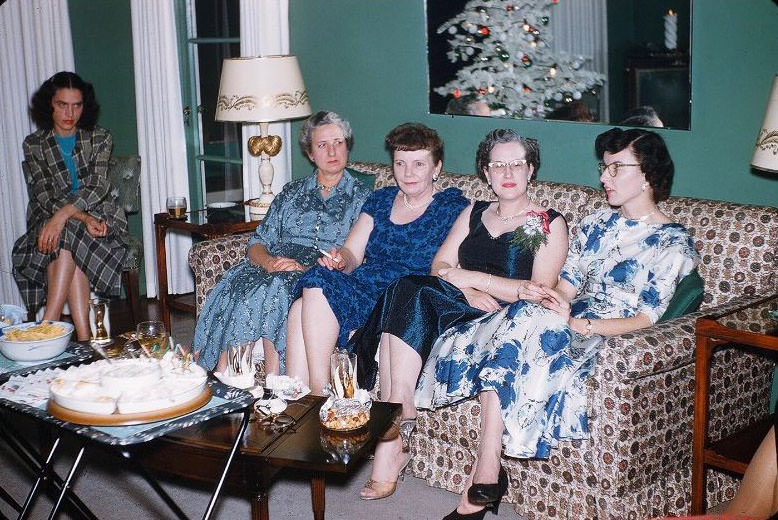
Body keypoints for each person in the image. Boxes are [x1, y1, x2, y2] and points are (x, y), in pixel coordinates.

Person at [415, 127, 701, 520]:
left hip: (606, 332)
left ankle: (485, 472)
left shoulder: (672, 244)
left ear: (648, 174)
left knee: (522, 330)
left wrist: (580, 325)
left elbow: (644, 318)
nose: (604, 177)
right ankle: (487, 472)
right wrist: (552, 301)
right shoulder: (599, 223)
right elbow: (566, 286)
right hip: (560, 317)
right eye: (605, 168)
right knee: (525, 318)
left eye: (616, 168)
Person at [349, 129, 569, 501]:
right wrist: (467, 288)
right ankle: (399, 406)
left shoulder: (545, 222)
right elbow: (440, 265)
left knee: (410, 292)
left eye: (517, 163)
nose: (508, 171)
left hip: (506, 319)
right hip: (460, 304)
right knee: (407, 285)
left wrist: (474, 278)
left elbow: (536, 291)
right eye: (498, 164)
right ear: (485, 172)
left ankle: (393, 425)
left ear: (531, 170)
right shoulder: (475, 211)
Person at [285, 123, 469, 394]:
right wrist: (339, 260)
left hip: (403, 296)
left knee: (304, 304)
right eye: (400, 163)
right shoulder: (381, 200)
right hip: (365, 285)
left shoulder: (453, 208)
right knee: (310, 290)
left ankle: (316, 394)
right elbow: (352, 253)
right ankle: (307, 395)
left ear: (437, 168)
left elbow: (454, 265)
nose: (408, 173)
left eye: (419, 164)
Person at [192, 111, 370, 374]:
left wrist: (309, 268)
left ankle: (273, 380)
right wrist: (270, 263)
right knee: (244, 285)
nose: (332, 151)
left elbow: (358, 256)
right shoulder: (291, 191)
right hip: (273, 264)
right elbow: (257, 242)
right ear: (310, 153)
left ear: (347, 146)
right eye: (323, 145)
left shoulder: (363, 197)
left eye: (338, 142)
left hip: (321, 273)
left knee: (276, 287)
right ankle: (228, 375)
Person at [12, 71, 127, 341]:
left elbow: (98, 187)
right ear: (48, 105)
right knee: (69, 234)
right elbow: (44, 194)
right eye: (62, 104)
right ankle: (85, 338)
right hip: (48, 217)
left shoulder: (100, 137)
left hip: (99, 216)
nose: (70, 113)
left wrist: (66, 216)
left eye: (76, 105)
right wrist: (75, 218)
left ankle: (47, 326)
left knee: (67, 233)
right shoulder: (34, 144)